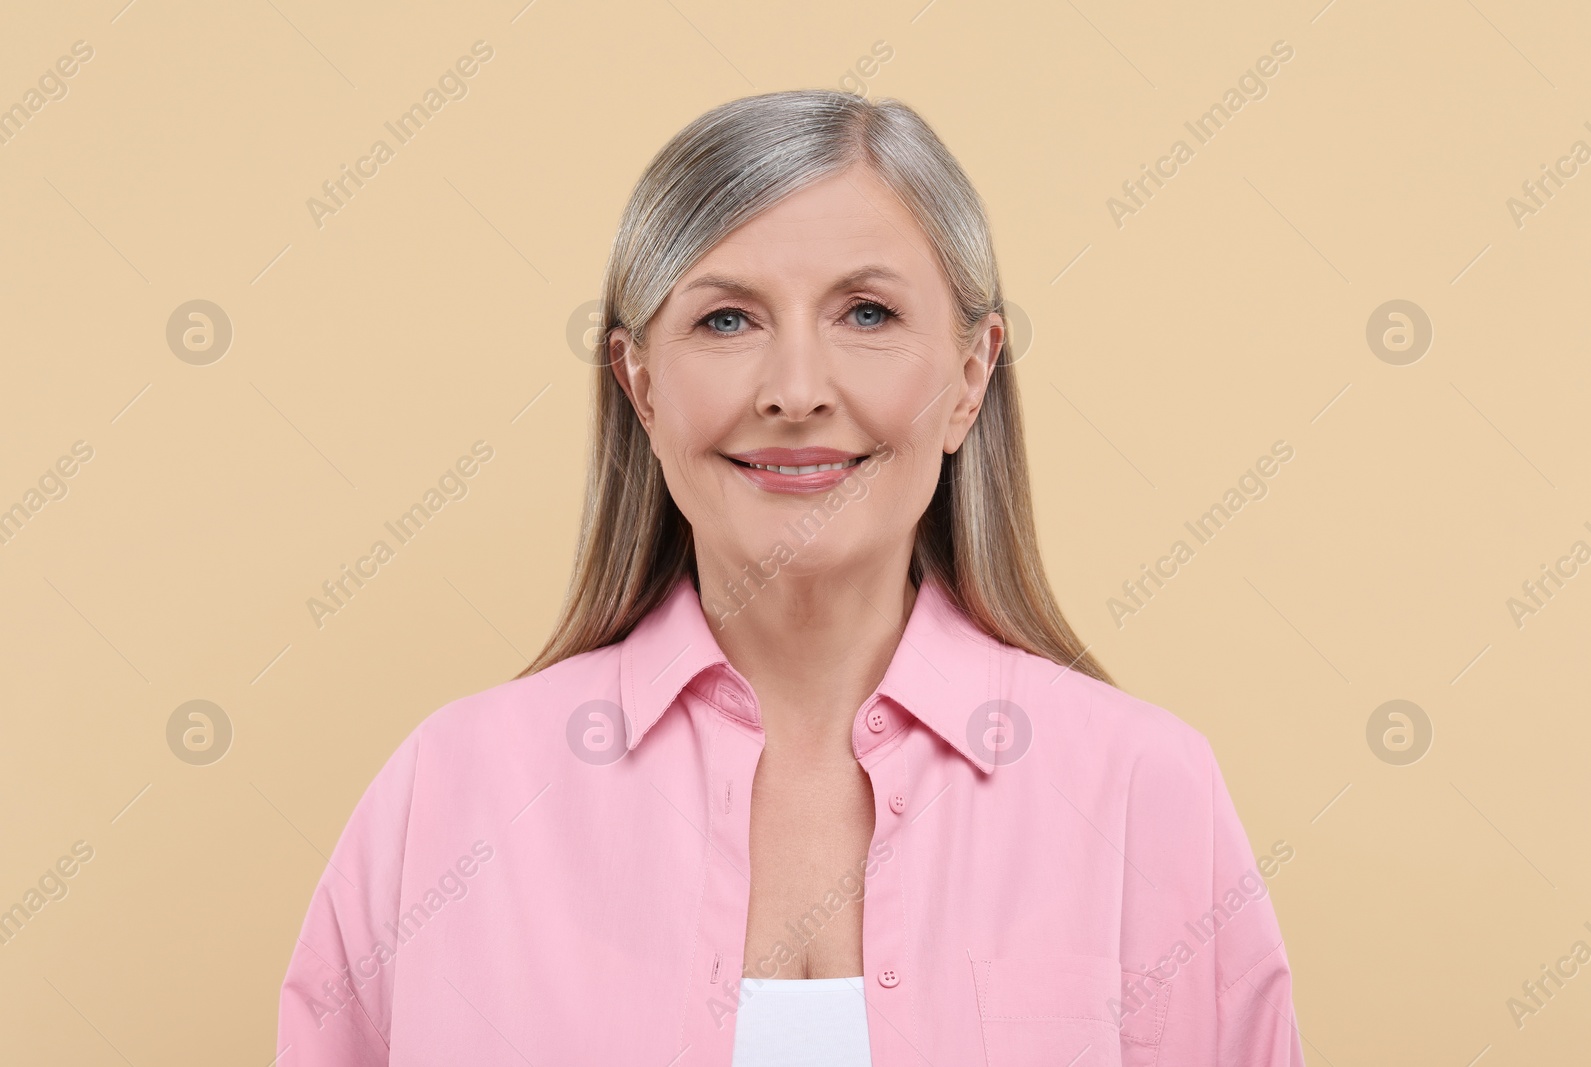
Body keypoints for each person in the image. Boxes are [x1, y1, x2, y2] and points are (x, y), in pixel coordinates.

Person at [276, 88, 1305, 1066]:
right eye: (727, 320)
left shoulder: (1142, 790)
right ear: (639, 382)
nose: (797, 391)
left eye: (865, 313)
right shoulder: (450, 795)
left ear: (969, 375)